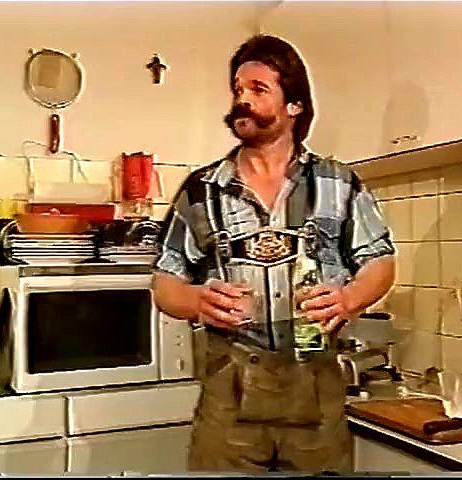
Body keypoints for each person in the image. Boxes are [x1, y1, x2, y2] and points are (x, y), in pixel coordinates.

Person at [153, 34, 396, 473]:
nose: (241, 100)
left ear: (295, 105)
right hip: (227, 403)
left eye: (258, 89)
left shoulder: (339, 183)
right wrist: (194, 300)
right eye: (237, 90)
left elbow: (380, 262)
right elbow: (165, 281)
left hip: (317, 400)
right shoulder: (201, 189)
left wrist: (350, 299)